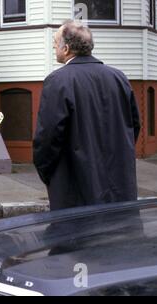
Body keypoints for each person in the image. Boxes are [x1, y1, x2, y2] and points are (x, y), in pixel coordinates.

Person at [33, 20, 141, 211]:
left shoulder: (58, 81)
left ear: (66, 49)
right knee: (120, 238)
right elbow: (134, 126)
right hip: (119, 185)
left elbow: (48, 138)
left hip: (75, 189)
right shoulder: (119, 78)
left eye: (55, 41)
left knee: (75, 240)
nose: (53, 46)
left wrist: (47, 174)